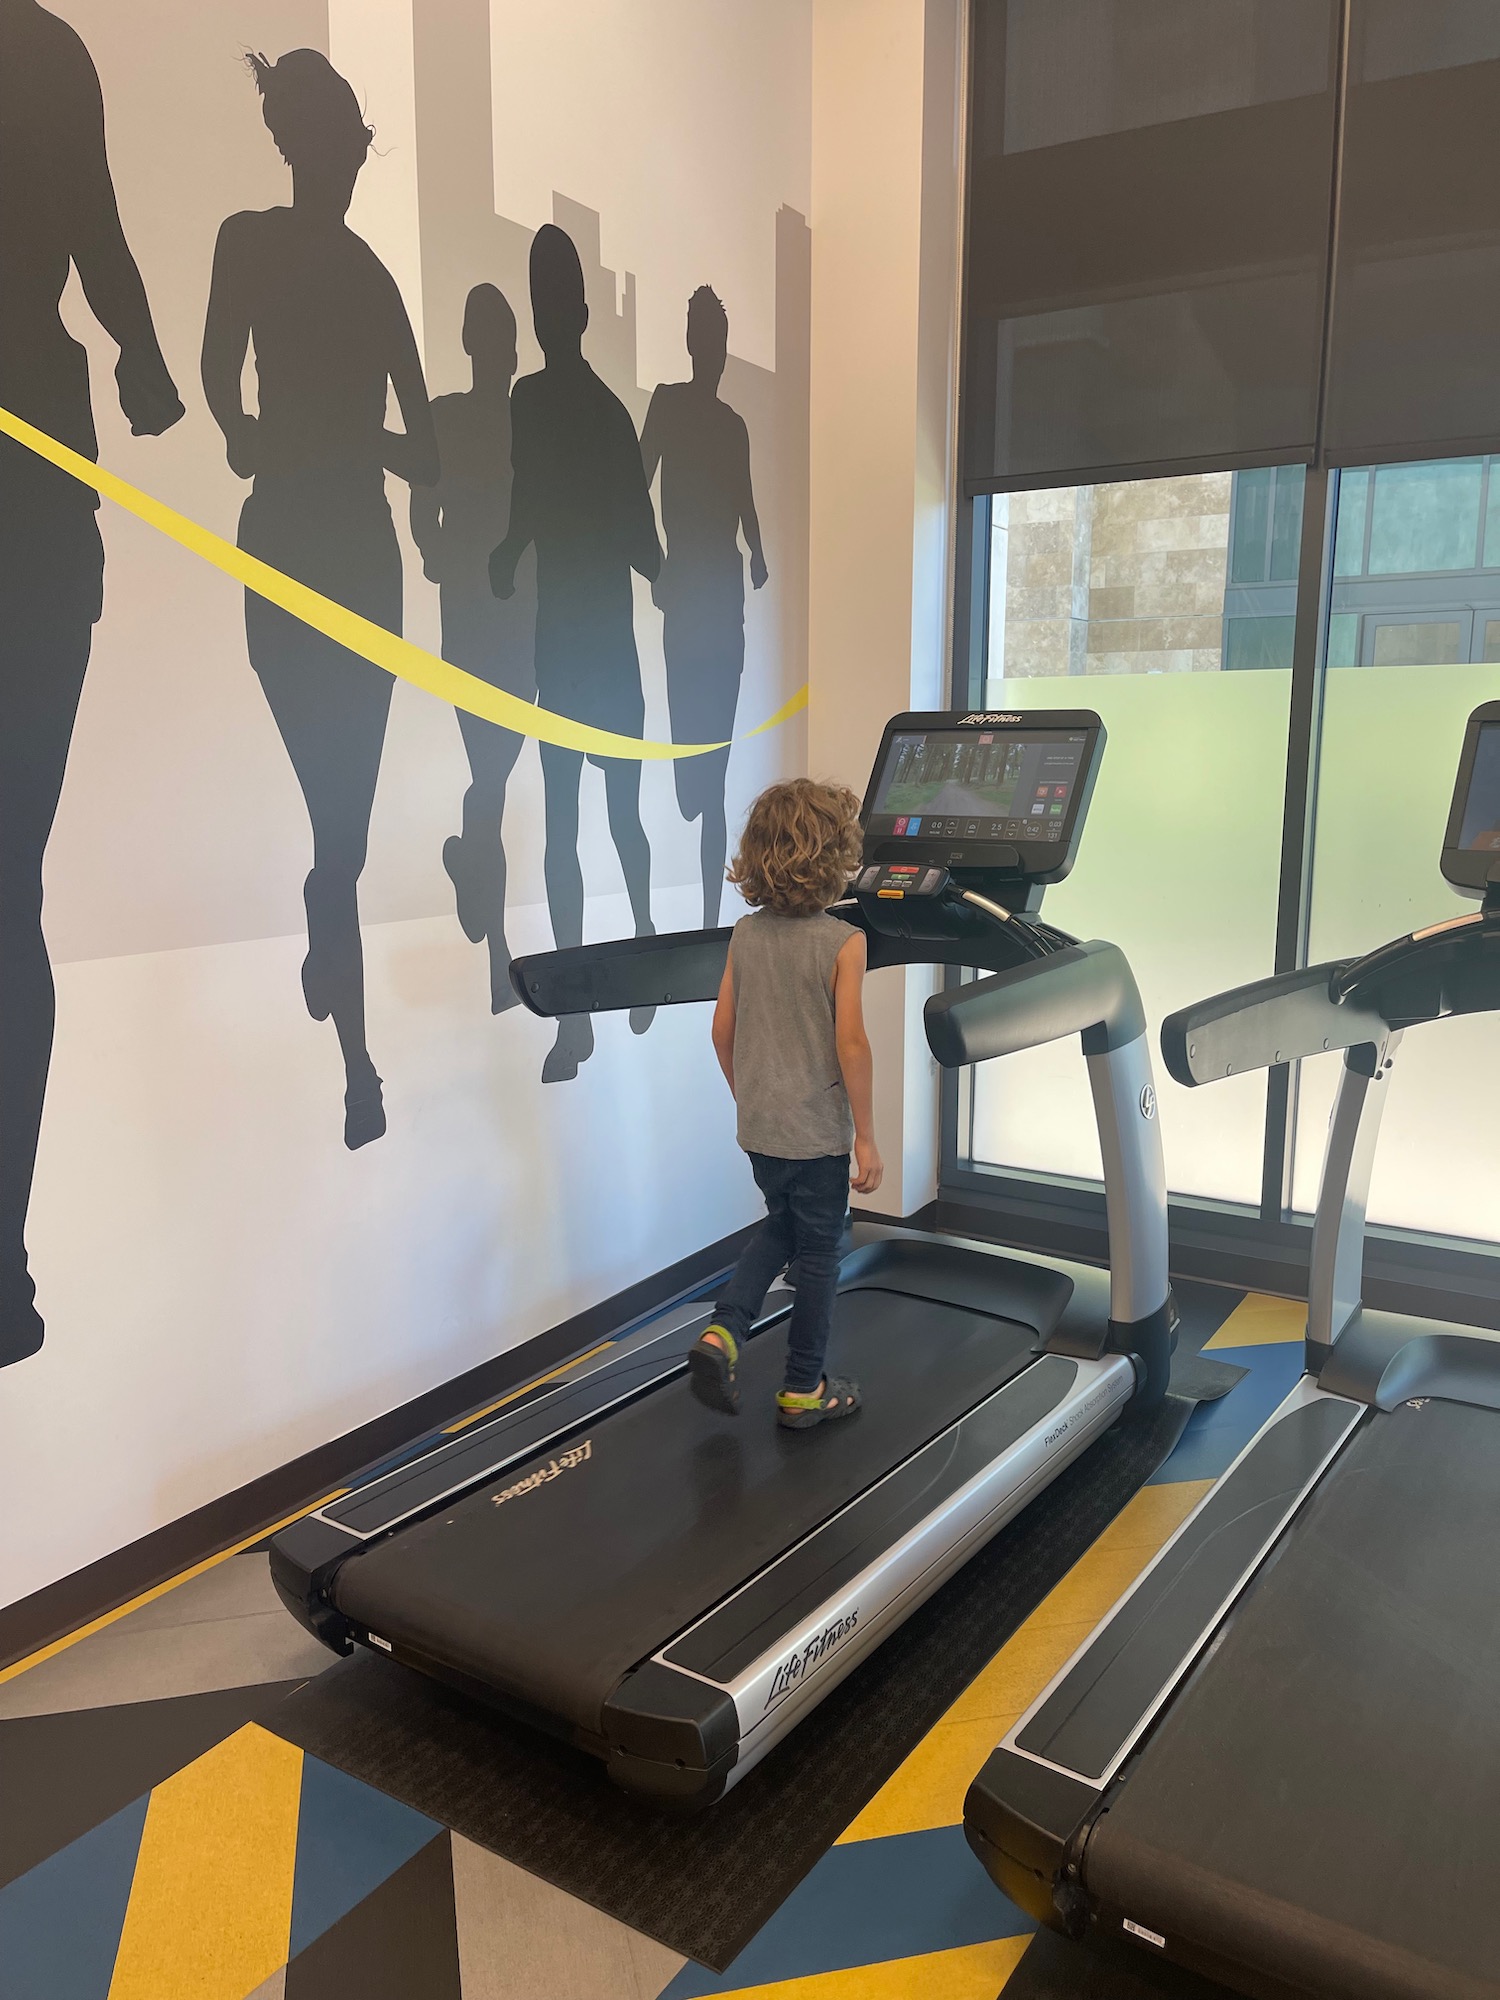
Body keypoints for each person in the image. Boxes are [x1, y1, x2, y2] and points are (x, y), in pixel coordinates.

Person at [202, 49, 438, 1148]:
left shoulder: (362, 273)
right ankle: (354, 1052)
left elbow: (424, 452)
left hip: (340, 552)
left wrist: (313, 435)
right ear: (307, 144)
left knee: (338, 822)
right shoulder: (262, 246)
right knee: (336, 819)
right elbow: (216, 375)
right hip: (304, 549)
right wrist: (264, 432)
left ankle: (358, 1066)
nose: (343, 167)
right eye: (339, 146)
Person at [0, 0, 184, 1365]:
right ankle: (1, 1266)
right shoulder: (46, 47)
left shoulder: (46, 46)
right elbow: (98, 237)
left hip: (37, 498)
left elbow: (101, 234)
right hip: (38, 491)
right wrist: (144, 361)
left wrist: (146, 355)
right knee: (9, 888)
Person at [490, 223, 662, 1082]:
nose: (548, 312)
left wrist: (512, 550)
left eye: (549, 297)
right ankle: (591, 1004)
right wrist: (511, 549)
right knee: (581, 824)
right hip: (579, 640)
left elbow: (550, 504)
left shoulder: (568, 406)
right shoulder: (593, 410)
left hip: (577, 640)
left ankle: (623, 985)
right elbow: (634, 533)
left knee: (595, 824)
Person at [689, 779, 883, 1429]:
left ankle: (723, 1332)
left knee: (779, 1227)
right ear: (838, 859)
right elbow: (851, 1044)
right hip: (817, 1134)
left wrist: (751, 1098)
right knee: (820, 1254)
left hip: (761, 1126)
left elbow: (722, 1029)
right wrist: (867, 1138)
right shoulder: (844, 942)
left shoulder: (745, 933)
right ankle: (804, 1389)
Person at [410, 283, 536, 1012]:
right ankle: (495, 953)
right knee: (491, 776)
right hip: (494, 620)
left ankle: (475, 877)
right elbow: (424, 513)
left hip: (499, 617)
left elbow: (424, 516)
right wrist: (439, 553)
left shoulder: (453, 420)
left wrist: (438, 552)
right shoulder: (468, 421)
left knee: (490, 777)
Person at [640, 285, 767, 927]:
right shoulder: (667, 404)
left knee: (713, 758)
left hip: (723, 585)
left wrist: (761, 553)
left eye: (718, 337)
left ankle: (711, 918)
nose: (711, 349)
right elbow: (640, 482)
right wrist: (655, 565)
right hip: (687, 580)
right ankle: (693, 790)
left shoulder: (734, 424)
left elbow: (743, 498)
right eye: (703, 335)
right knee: (690, 737)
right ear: (692, 342)